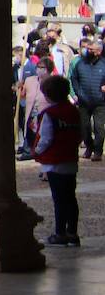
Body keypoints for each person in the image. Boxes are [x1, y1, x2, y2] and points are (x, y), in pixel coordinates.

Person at [33, 75, 81, 246]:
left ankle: (60, 233)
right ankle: (72, 233)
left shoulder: (50, 114)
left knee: (59, 200)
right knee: (71, 198)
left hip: (54, 162)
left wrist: (36, 151)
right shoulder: (73, 111)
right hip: (70, 160)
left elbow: (45, 138)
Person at [68, 36, 105, 162]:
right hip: (83, 101)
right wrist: (77, 93)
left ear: (98, 52)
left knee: (99, 128)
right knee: (85, 127)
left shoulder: (103, 64)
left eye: (91, 49)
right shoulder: (80, 63)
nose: (87, 51)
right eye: (87, 49)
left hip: (100, 102)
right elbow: (74, 79)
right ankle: (89, 147)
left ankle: (98, 151)